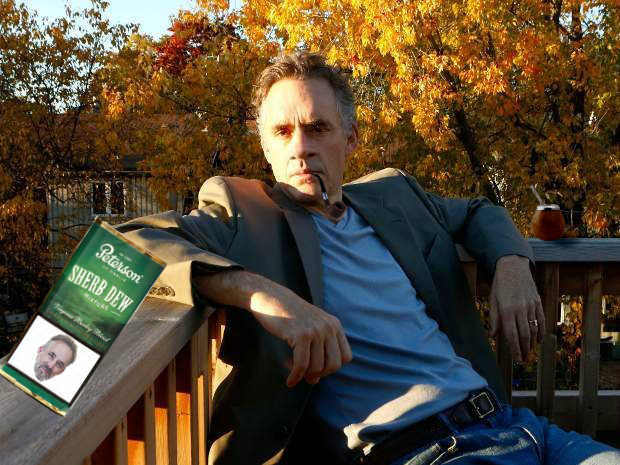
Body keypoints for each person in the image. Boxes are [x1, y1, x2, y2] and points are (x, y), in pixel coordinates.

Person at [117, 52, 620, 464]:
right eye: (283, 132)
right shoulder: (244, 215)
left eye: (318, 128)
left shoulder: (393, 195)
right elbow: (128, 242)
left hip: (514, 426)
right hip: (418, 452)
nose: (301, 148)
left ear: (351, 138)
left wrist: (512, 264)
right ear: (266, 147)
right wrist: (261, 295)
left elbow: (477, 212)